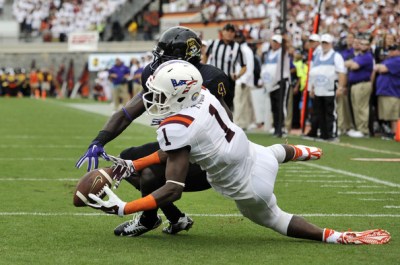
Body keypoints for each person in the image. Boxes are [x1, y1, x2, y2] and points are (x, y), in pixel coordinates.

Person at [87, 60, 390, 245]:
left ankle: (336, 236)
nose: (153, 99)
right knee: (272, 152)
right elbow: (174, 151)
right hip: (255, 154)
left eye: (160, 94)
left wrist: (125, 207)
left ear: (180, 93)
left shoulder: (176, 127)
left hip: (248, 187)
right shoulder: (203, 93)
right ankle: (300, 151)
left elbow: (173, 188)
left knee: (276, 219)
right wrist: (134, 164)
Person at [76, 26, 232, 237]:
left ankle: (148, 219)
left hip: (207, 153)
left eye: (166, 58)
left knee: (149, 175)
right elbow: (127, 112)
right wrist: (99, 140)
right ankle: (176, 218)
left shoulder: (210, 78)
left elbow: (227, 125)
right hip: (177, 145)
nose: (159, 63)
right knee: (126, 160)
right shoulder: (157, 73)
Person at [308, 34, 347, 141]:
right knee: (320, 112)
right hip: (319, 89)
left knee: (330, 112)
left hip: (330, 88)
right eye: (323, 43)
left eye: (326, 43)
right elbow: (314, 74)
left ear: (331, 44)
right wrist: (312, 88)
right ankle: (324, 134)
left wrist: (340, 87)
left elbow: (341, 72)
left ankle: (332, 134)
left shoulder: (336, 56)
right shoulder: (317, 57)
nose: (324, 45)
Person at [203, 23, 247, 110]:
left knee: (227, 106)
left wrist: (238, 75)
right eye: (227, 30)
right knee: (212, 104)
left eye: (232, 31)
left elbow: (244, 66)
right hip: (213, 79)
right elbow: (205, 55)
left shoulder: (237, 47)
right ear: (222, 32)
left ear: (234, 34)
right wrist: (204, 68)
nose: (229, 33)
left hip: (228, 81)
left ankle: (226, 123)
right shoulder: (213, 43)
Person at [344, 34, 374, 138]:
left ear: (369, 46)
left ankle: (363, 130)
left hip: (363, 83)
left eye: (365, 44)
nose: (362, 46)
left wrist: (350, 64)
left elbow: (354, 66)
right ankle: (359, 128)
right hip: (355, 84)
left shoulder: (367, 56)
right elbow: (348, 63)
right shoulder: (359, 56)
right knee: (356, 107)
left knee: (362, 107)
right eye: (361, 44)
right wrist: (350, 64)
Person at [373, 44, 400, 139]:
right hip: (385, 90)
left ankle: (394, 133)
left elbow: (382, 69)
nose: (391, 51)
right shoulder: (389, 60)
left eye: (393, 50)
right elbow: (376, 67)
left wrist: (380, 67)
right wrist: (380, 67)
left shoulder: (398, 60)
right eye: (390, 50)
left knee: (393, 115)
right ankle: (391, 132)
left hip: (392, 90)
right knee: (387, 114)